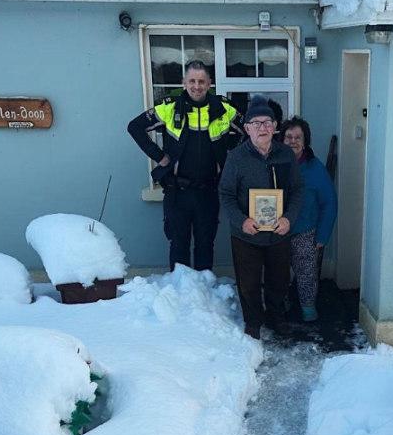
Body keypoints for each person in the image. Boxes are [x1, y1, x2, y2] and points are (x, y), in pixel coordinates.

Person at [127, 60, 243, 271]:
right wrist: (159, 156)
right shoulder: (169, 107)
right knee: (179, 245)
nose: (196, 86)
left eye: (201, 81)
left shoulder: (224, 109)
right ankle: (180, 298)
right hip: (176, 192)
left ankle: (203, 295)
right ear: (184, 83)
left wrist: (229, 161)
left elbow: (249, 132)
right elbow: (134, 127)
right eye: (192, 81)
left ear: (210, 83)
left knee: (205, 245)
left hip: (208, 192)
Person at [219, 96, 304, 339]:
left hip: (279, 232)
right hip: (247, 234)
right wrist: (241, 221)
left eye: (267, 122)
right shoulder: (236, 157)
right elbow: (225, 193)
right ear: (247, 128)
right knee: (249, 283)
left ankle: (276, 318)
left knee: (279, 280)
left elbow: (298, 189)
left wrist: (288, 218)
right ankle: (253, 321)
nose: (262, 128)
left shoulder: (286, 154)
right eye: (255, 123)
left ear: (275, 126)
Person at [282, 117, 337, 322]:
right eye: (288, 137)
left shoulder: (315, 169)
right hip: (276, 231)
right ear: (281, 139)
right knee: (277, 273)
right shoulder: (273, 163)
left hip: (305, 231)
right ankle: (281, 304)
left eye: (298, 137)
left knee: (306, 274)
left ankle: (308, 308)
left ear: (305, 142)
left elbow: (329, 202)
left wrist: (322, 236)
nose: (293, 141)